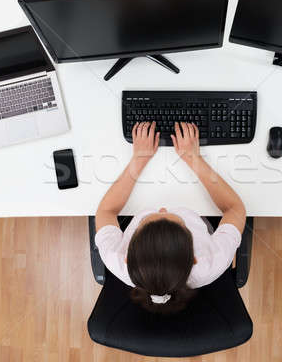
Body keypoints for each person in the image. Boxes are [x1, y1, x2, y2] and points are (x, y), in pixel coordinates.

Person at [95, 121, 246, 314]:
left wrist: (139, 159)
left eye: (145, 220)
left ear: (127, 258)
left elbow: (106, 211)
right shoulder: (212, 260)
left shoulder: (115, 257)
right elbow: (236, 209)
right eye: (179, 221)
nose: (163, 208)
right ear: (195, 258)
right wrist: (193, 158)